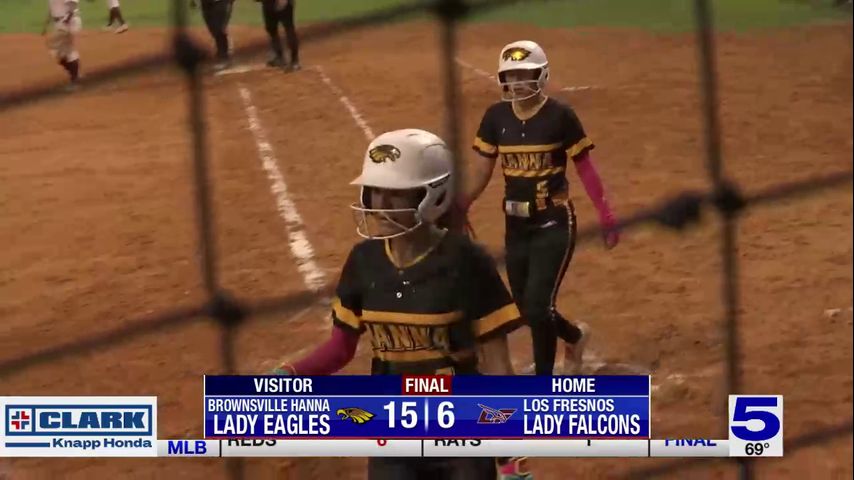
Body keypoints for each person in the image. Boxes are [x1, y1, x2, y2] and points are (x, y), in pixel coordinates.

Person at [271, 128, 531, 480]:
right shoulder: (364, 261)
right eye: (375, 190)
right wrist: (288, 375)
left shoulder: (467, 263)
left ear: (433, 196)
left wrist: (511, 457)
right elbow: (341, 348)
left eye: (396, 193)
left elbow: (498, 367)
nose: (381, 203)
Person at [463, 40, 620, 376]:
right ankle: (574, 337)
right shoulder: (495, 117)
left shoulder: (560, 116)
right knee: (526, 308)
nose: (518, 82)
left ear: (541, 75)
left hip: (553, 221)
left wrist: (606, 214)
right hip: (516, 225)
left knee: (537, 306)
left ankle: (542, 384)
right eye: (512, 75)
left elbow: (585, 168)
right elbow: (481, 170)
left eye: (525, 74)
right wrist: (463, 203)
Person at [45, 0, 82, 91]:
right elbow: (52, 8)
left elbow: (72, 5)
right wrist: (46, 23)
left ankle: (75, 79)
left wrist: (66, 21)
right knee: (60, 53)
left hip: (68, 22)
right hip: (59, 23)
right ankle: (75, 75)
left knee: (63, 50)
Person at [257, 0, 300, 71]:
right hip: (268, 3)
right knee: (271, 28)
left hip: (284, 3)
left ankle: (294, 61)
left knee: (288, 28)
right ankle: (279, 57)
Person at [191, 0, 233, 71]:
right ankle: (224, 45)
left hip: (221, 2)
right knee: (213, 29)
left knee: (219, 28)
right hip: (205, 4)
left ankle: (224, 56)